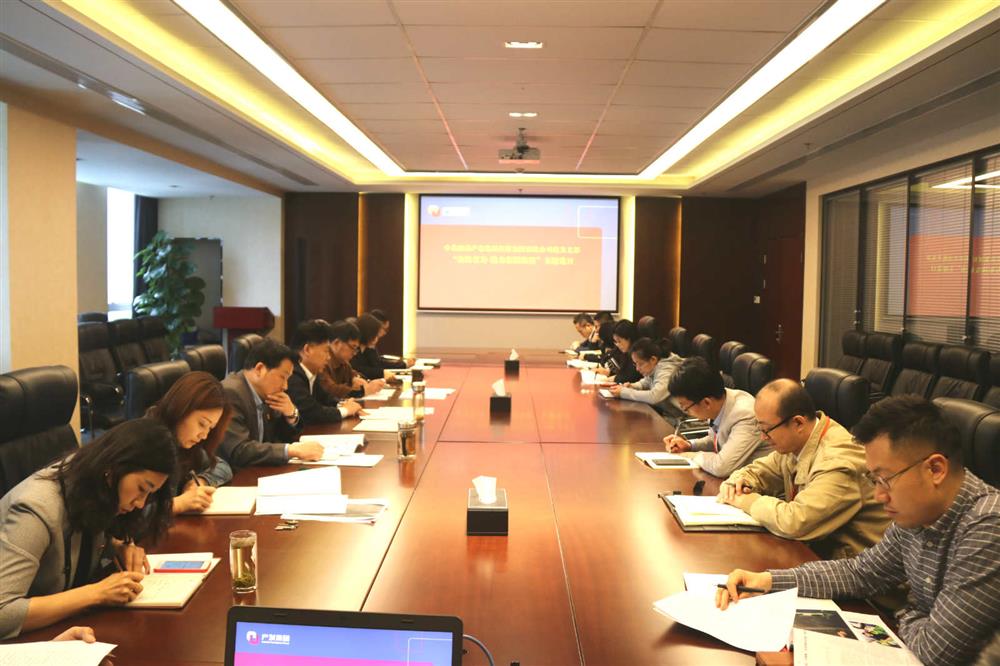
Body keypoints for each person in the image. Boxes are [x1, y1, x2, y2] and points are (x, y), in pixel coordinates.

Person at [716, 396, 1000, 666]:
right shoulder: (917, 513)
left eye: (884, 480)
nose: (878, 495)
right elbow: (861, 573)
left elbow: (934, 653)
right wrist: (768, 581)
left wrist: (906, 611)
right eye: (874, 480)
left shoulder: (988, 527)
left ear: (935, 469)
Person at [0, 418, 177, 638]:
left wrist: (117, 548)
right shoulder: (36, 508)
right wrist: (97, 593)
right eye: (142, 488)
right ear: (113, 468)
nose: (141, 503)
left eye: (150, 494)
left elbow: (80, 536)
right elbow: (3, 612)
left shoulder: (92, 484)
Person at [717, 379, 889, 559]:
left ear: (798, 423)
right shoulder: (797, 443)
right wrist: (738, 482)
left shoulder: (837, 462)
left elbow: (796, 522)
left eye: (766, 430)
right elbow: (759, 471)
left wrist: (748, 500)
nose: (762, 437)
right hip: (816, 552)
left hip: (852, 566)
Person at [217, 339, 323, 468]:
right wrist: (290, 450)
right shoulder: (230, 393)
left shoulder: (265, 393)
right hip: (235, 473)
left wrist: (290, 414)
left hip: (259, 469)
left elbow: (279, 437)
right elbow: (239, 450)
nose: (285, 386)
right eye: (282, 377)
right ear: (260, 369)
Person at [664, 357, 771, 477]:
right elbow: (717, 441)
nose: (686, 412)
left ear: (706, 403)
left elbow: (722, 467)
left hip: (759, 485)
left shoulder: (745, 415)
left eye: (686, 408)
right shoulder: (721, 400)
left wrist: (690, 456)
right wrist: (689, 445)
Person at [146, 371, 234, 515]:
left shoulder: (183, 443)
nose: (204, 435)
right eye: (202, 424)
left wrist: (198, 481)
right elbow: (126, 514)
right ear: (181, 408)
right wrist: (179, 504)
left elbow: (222, 466)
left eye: (210, 428)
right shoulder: (146, 441)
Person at [286, 319, 363, 425]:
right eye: (326, 351)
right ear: (307, 349)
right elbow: (311, 413)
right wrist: (345, 410)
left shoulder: (311, 373)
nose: (328, 357)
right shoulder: (292, 375)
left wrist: (343, 404)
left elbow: (325, 398)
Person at [606, 337, 683, 412]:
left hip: (679, 419)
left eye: (640, 364)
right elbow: (646, 382)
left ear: (653, 359)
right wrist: (632, 386)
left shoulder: (667, 370)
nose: (637, 368)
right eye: (635, 364)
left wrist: (623, 393)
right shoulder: (656, 365)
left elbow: (654, 396)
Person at [318, 319, 386, 400]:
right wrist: (363, 391)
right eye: (353, 347)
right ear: (337, 343)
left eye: (356, 349)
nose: (354, 353)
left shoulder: (343, 362)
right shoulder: (322, 361)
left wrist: (355, 378)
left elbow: (353, 373)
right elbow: (330, 389)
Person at [597, 319, 642, 384]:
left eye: (619, 341)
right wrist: (610, 373)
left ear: (629, 338)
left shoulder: (639, 352)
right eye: (615, 341)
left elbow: (632, 376)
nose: (617, 345)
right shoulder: (624, 352)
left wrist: (613, 378)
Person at [351, 313, 391, 380]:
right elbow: (357, 369)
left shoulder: (366, 347)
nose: (376, 338)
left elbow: (376, 365)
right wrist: (382, 373)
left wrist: (371, 348)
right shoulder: (354, 347)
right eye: (375, 335)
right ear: (367, 333)